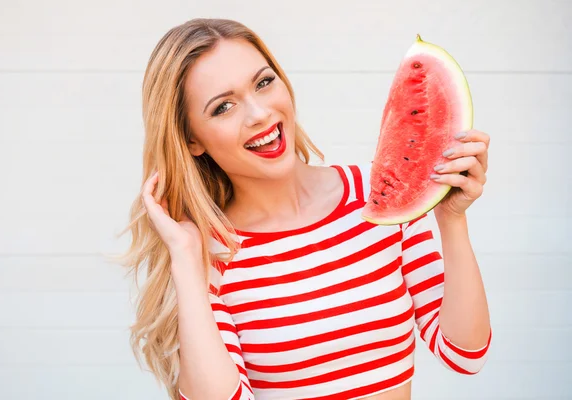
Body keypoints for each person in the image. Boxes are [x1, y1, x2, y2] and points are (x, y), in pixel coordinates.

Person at [120, 18, 492, 400]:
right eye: (223, 107)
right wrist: (184, 258)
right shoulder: (210, 253)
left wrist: (452, 219)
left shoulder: (378, 194)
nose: (259, 114)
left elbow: (464, 353)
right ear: (192, 139)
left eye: (264, 82)